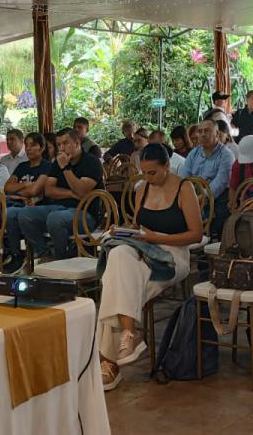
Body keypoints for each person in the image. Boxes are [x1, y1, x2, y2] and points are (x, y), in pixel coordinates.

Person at [97, 143, 203, 390]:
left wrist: (158, 238)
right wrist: (123, 231)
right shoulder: (141, 188)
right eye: (144, 172)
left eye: (152, 172)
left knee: (114, 285)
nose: (147, 177)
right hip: (144, 252)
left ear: (167, 166)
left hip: (173, 255)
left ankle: (109, 362)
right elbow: (138, 227)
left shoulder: (184, 189)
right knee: (119, 255)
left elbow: (196, 235)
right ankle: (128, 334)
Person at [16, 128, 104, 262]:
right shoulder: (58, 162)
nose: (62, 148)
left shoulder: (92, 162)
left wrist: (65, 168)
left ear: (76, 143)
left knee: (55, 218)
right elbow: (49, 190)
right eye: (59, 145)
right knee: (24, 214)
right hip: (58, 207)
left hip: (86, 213)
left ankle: (61, 260)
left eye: (65, 143)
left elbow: (81, 192)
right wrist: (71, 193)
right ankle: (46, 253)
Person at [0, 133, 54, 272]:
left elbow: (35, 191)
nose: (28, 149)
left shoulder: (46, 166)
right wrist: (25, 186)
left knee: (10, 213)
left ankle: (39, 252)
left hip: (36, 205)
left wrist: (19, 190)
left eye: (33, 145)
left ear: (41, 148)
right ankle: (15, 254)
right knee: (3, 212)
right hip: (16, 202)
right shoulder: (22, 166)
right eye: (27, 145)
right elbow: (7, 188)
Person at [180, 119, 236, 238]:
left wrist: (204, 196)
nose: (202, 134)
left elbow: (221, 182)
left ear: (216, 133)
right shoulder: (194, 153)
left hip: (217, 198)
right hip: (193, 195)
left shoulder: (226, 154)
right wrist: (188, 195)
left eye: (207, 131)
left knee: (219, 218)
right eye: (200, 131)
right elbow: (184, 176)